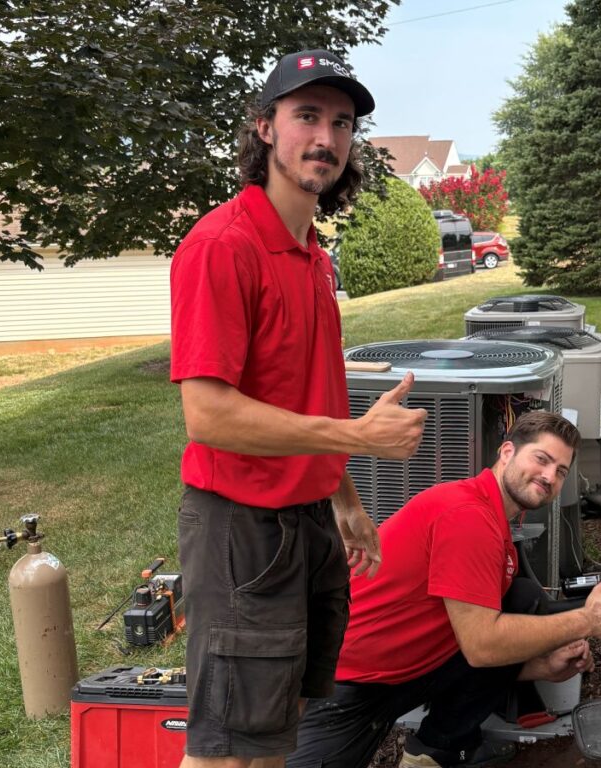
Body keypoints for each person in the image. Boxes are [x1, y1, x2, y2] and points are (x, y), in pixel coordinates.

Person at [169, 49, 427, 768]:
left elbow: (298, 393)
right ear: (264, 128)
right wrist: (358, 438)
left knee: (275, 729)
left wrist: (342, 498)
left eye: (341, 123)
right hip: (241, 531)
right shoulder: (223, 246)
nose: (326, 138)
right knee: (226, 749)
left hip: (307, 524)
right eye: (306, 115)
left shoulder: (311, 255)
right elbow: (208, 415)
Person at [287, 411, 601, 768]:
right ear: (507, 452)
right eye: (542, 459)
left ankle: (433, 752)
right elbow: (482, 646)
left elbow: (474, 644)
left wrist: (539, 666)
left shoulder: (491, 519)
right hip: (348, 682)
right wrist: (587, 621)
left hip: (408, 669)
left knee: (520, 597)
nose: (549, 476)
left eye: (560, 471)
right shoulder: (468, 516)